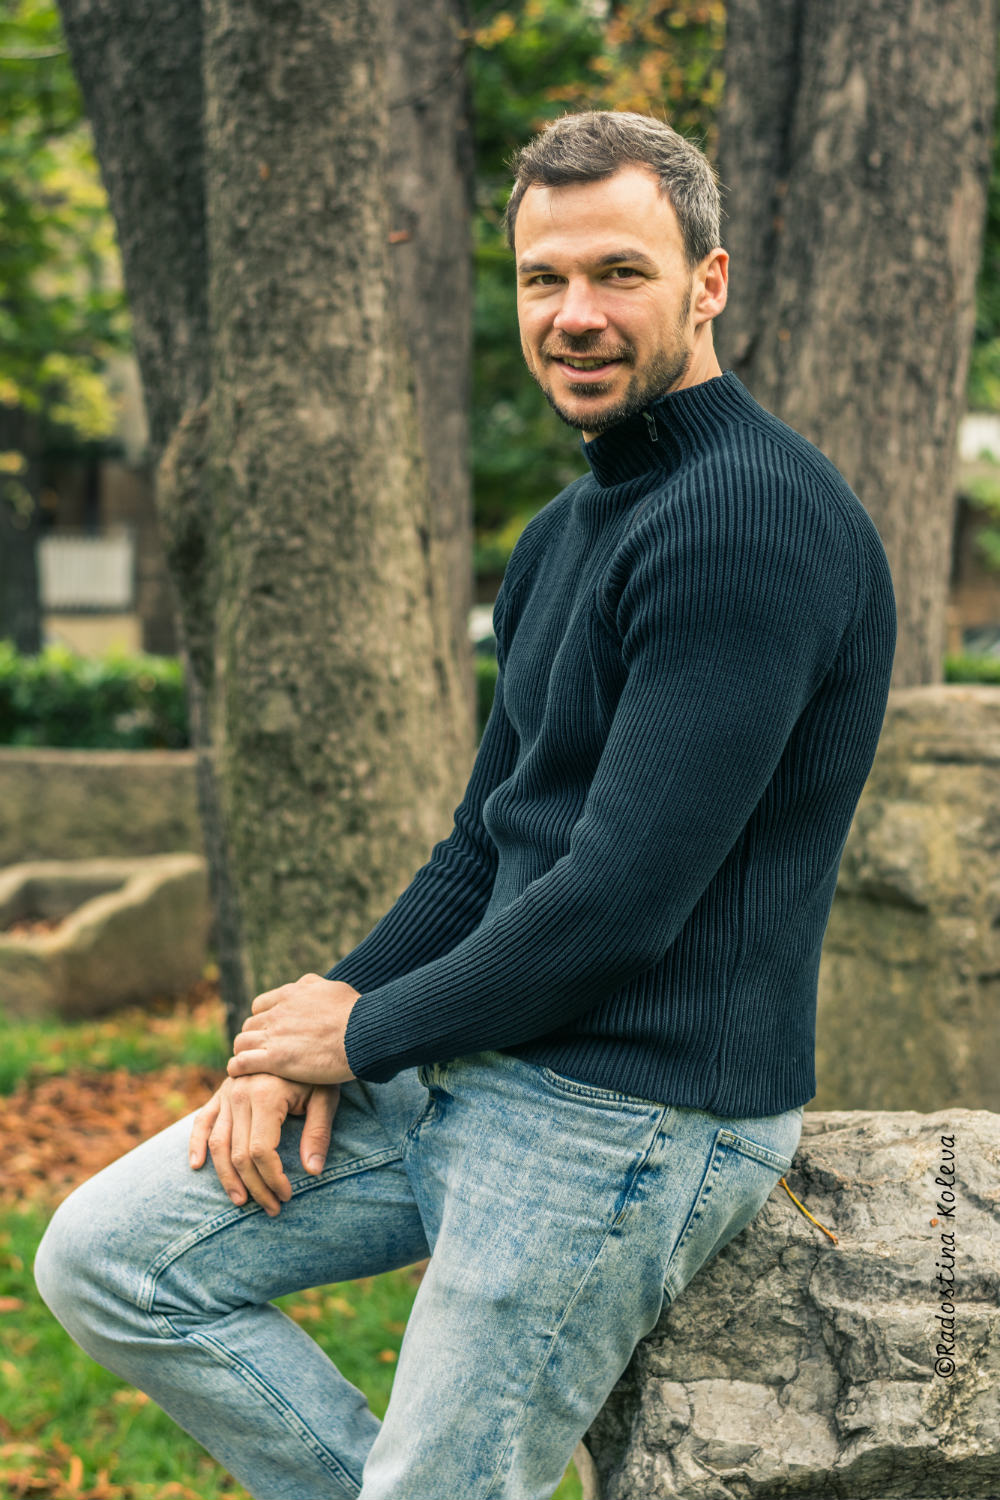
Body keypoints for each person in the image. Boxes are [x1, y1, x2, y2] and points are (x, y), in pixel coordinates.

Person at [35, 110, 897, 1500]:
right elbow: (486, 844)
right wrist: (316, 1028)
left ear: (709, 283)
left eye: (618, 273)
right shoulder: (568, 532)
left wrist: (366, 1032)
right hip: (481, 1054)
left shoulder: (749, 524)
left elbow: (617, 904)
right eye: (543, 279)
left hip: (630, 1112)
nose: (575, 314)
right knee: (108, 1261)